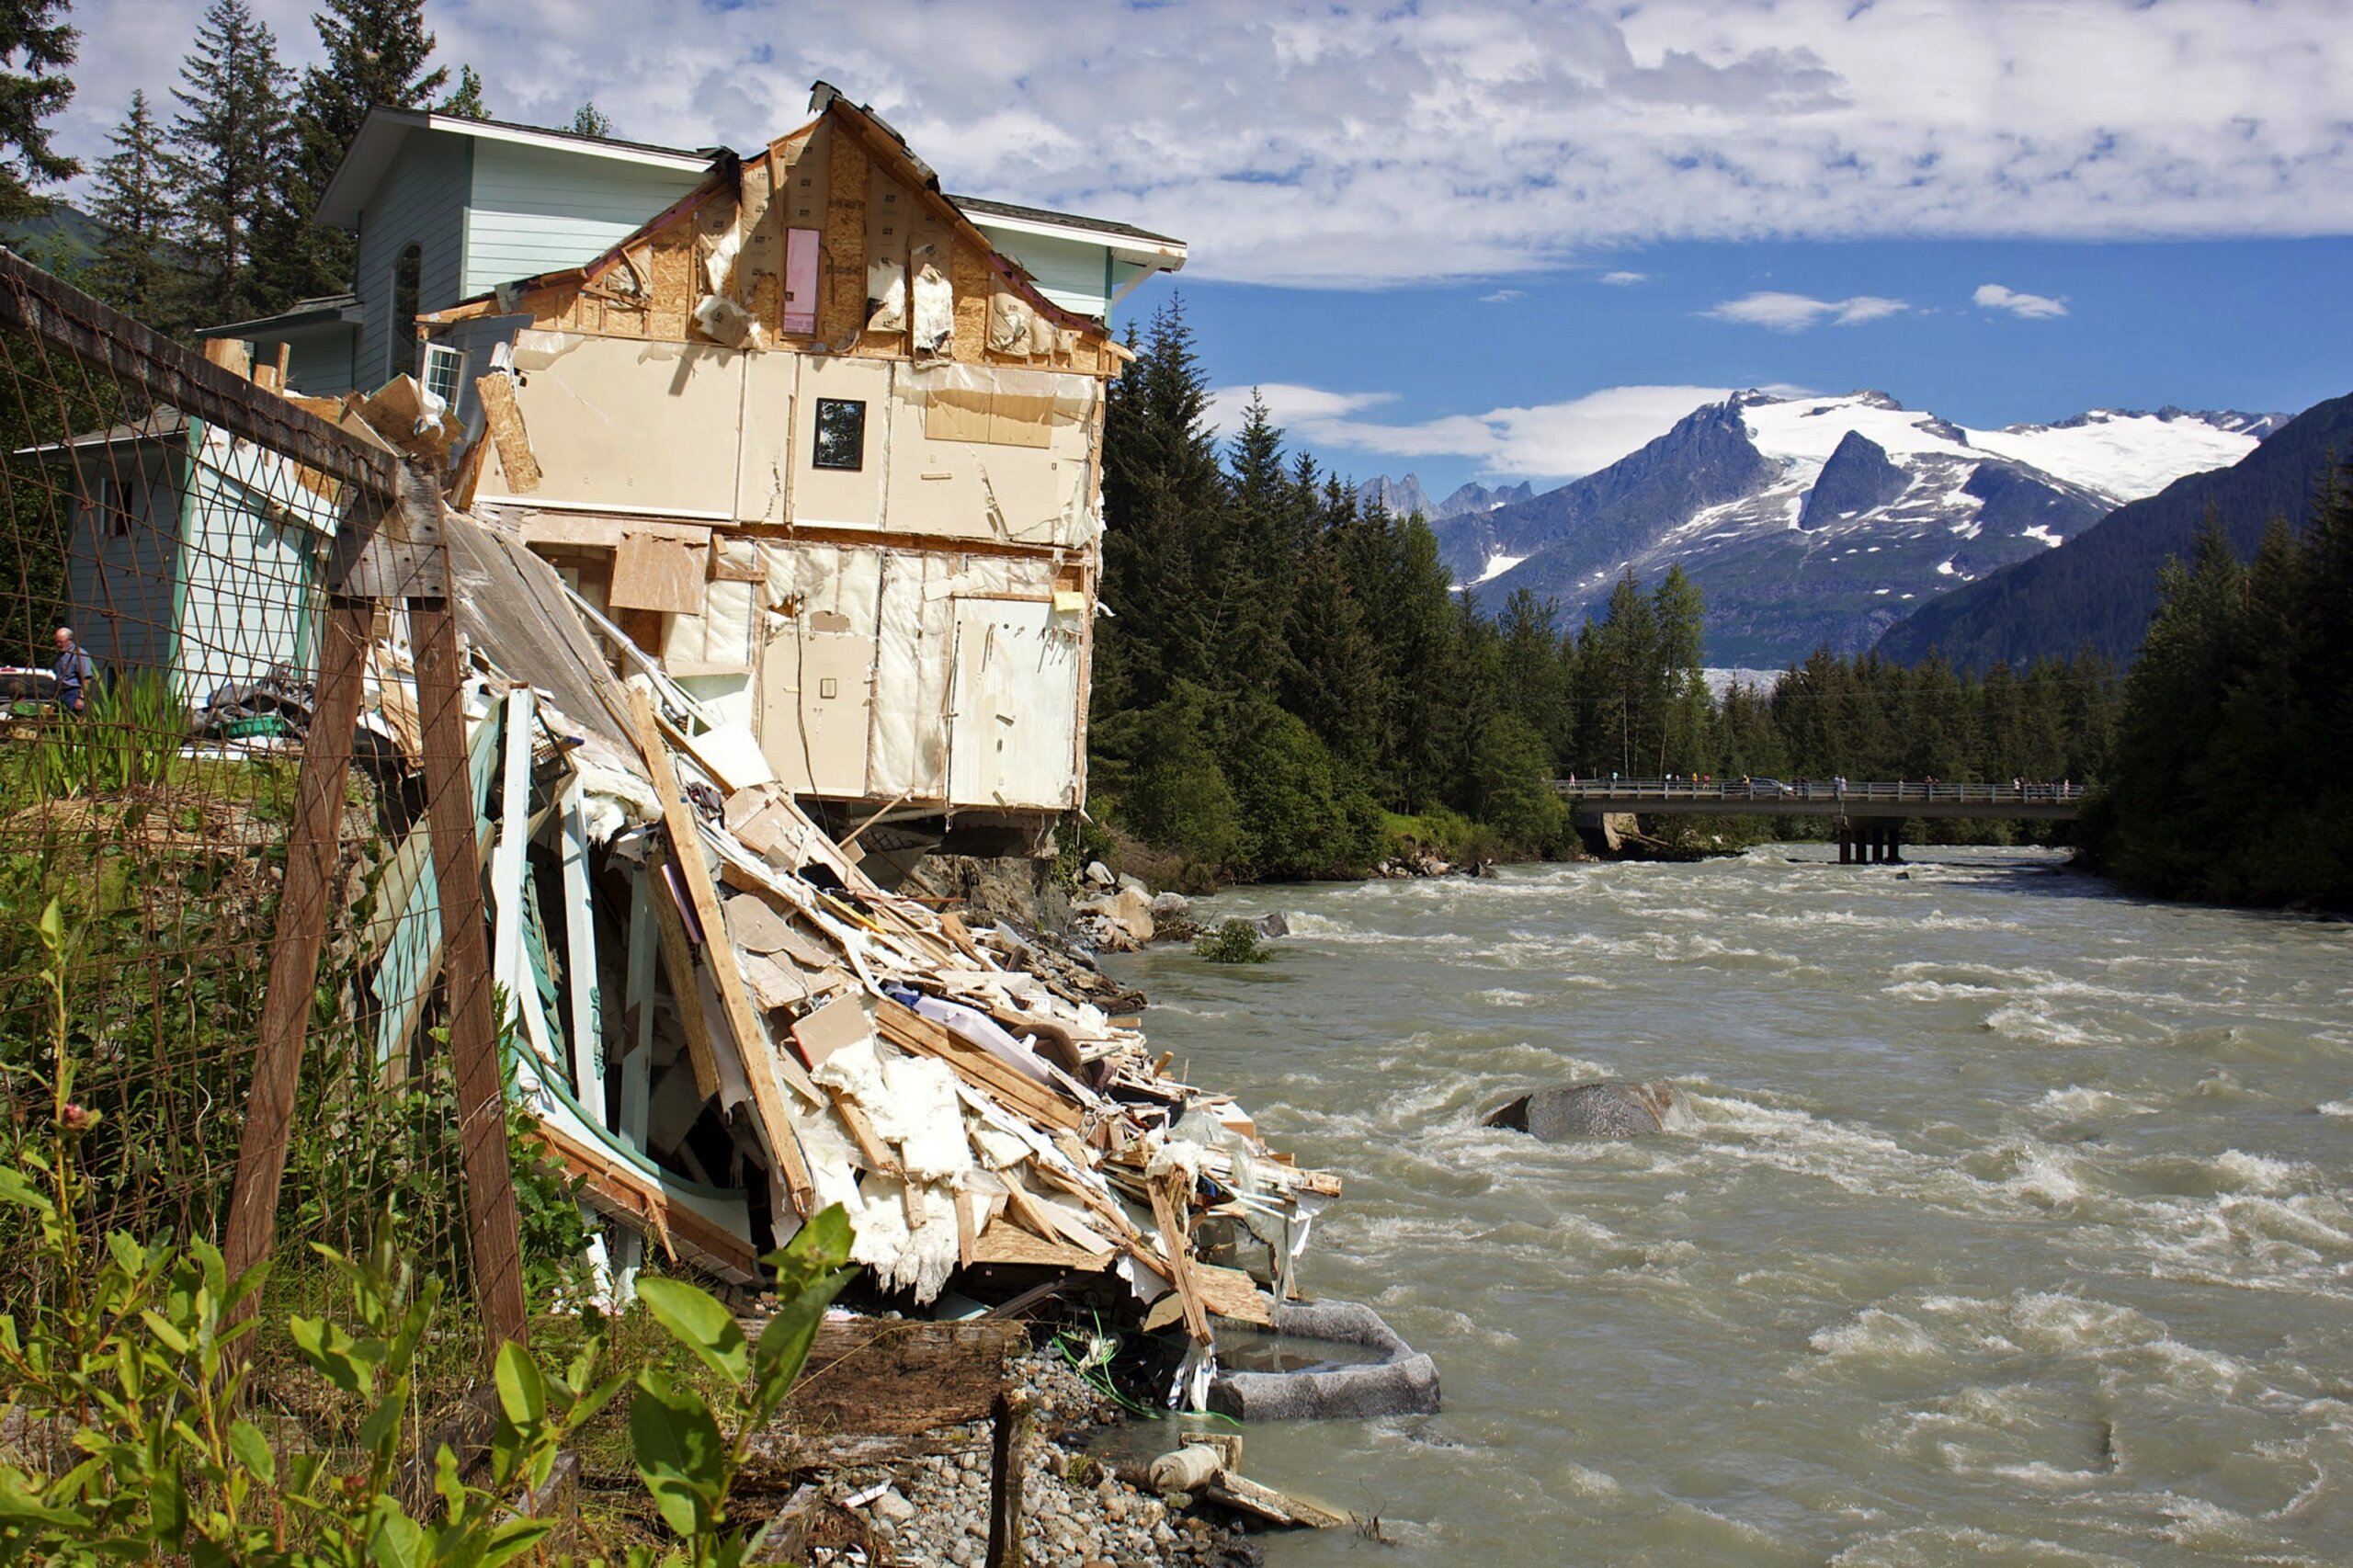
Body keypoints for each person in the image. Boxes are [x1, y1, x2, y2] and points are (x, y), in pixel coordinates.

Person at [51, 626, 95, 716]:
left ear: (69, 640)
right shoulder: (59, 656)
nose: (58, 645)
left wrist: (81, 698)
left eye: (61, 642)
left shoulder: (79, 655)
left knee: (75, 722)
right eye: (57, 642)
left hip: (74, 694)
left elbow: (86, 679)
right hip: (61, 694)